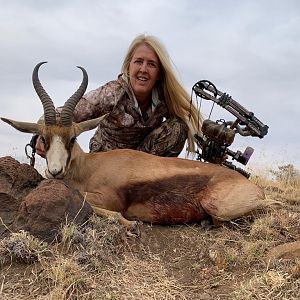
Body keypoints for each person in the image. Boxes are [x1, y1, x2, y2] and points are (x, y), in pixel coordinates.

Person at [36, 34, 202, 158]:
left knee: (178, 127)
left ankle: (149, 187)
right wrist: (41, 134)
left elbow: (191, 125)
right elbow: (64, 114)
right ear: (128, 66)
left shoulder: (165, 99)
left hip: (140, 162)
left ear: (159, 73)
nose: (143, 69)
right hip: (106, 162)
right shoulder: (111, 94)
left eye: (151, 64)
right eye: (139, 61)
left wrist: (213, 151)